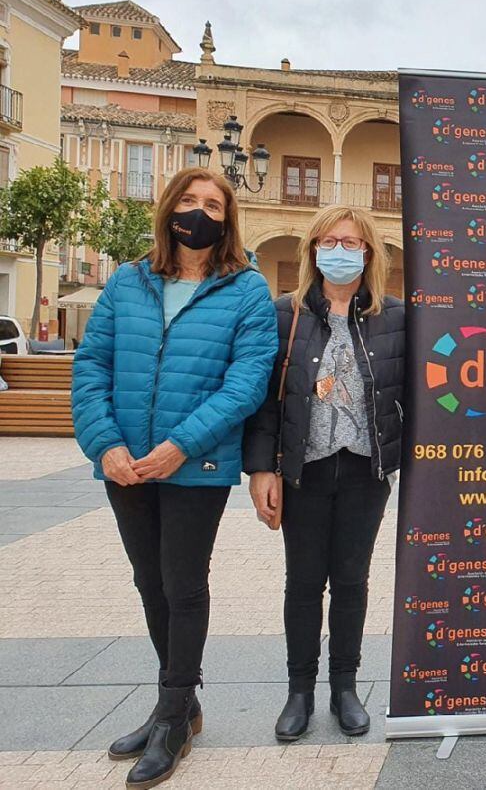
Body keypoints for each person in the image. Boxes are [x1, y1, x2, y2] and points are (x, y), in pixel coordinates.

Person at [71, 168, 277, 788]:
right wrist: (104, 444)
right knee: (148, 583)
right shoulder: (127, 283)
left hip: (198, 466)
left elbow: (246, 383)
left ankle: (171, 714)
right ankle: (179, 707)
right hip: (126, 467)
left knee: (182, 585)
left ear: (228, 219)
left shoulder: (246, 291)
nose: (199, 212)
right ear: (168, 209)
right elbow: (92, 366)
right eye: (189, 200)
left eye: (213, 204)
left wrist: (178, 446)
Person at [243, 205, 404, 742]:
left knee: (352, 581)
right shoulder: (284, 314)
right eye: (331, 241)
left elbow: (416, 393)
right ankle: (300, 690)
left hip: (365, 469)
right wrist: (262, 468)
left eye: (353, 243)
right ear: (313, 249)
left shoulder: (394, 317)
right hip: (304, 472)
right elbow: (266, 400)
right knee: (304, 582)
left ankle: (345, 687)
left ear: (369, 254)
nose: (341, 250)